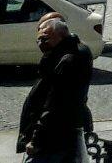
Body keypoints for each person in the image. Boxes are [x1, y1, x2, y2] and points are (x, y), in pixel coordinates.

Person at [17, 16, 93, 163]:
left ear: (60, 36)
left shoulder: (66, 61)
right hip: (67, 130)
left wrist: (35, 140)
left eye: (45, 39)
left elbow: (53, 105)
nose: (40, 44)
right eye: (38, 40)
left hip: (53, 137)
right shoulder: (77, 50)